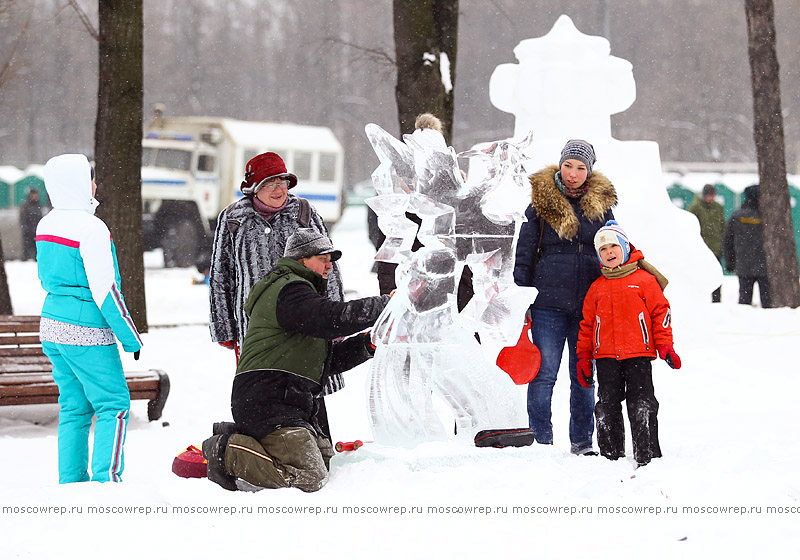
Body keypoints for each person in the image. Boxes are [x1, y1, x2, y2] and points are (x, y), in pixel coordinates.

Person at [203, 229, 390, 492]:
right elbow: (332, 319)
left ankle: (252, 440)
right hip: (269, 401)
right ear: (302, 259)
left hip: (289, 403)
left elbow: (325, 362)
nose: (329, 265)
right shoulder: (288, 289)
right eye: (322, 258)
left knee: (330, 468)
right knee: (311, 478)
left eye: (331, 259)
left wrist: (369, 343)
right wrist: (385, 305)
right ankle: (227, 451)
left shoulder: (303, 297)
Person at [208, 151, 345, 434]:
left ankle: (317, 442)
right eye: (271, 184)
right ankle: (268, 445)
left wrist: (335, 317)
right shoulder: (234, 218)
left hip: (305, 313)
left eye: (283, 183)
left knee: (306, 378)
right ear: (255, 187)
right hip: (257, 321)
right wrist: (225, 329)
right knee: (262, 384)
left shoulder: (303, 212)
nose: (279, 190)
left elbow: (329, 265)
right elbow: (222, 275)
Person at [36, 154, 143, 483]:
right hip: (85, 331)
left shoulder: (47, 224)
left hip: (52, 326)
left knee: (74, 407)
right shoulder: (91, 228)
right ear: (79, 184)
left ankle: (71, 480)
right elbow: (105, 291)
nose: (95, 185)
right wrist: (130, 336)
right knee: (114, 405)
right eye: (90, 179)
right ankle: (106, 481)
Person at [513, 139, 617, 456]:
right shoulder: (540, 205)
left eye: (580, 167)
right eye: (568, 166)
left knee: (584, 376)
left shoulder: (602, 208)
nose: (573, 173)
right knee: (544, 375)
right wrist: (522, 299)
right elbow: (524, 254)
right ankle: (541, 438)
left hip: (589, 305)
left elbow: (616, 251)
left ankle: (582, 442)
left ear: (590, 171)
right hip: (547, 305)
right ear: (560, 166)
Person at [576, 221, 680, 467]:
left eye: (613, 246)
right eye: (603, 249)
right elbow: (587, 325)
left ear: (624, 247)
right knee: (607, 405)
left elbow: (660, 314)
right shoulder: (597, 287)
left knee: (642, 403)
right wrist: (583, 356)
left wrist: (665, 346)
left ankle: (648, 454)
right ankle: (610, 455)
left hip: (638, 354)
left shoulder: (644, 280)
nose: (609, 252)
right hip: (606, 357)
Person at [722, 184, 771, 307]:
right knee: (767, 302)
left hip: (744, 265)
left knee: (744, 301)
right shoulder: (768, 216)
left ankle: (743, 324)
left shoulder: (737, 215)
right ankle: (769, 324)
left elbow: (728, 241)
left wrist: (730, 263)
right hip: (764, 266)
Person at [687, 184, 725, 302]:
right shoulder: (696, 207)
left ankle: (716, 301)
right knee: (700, 277)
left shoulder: (718, 207)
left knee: (716, 277)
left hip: (715, 248)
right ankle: (699, 301)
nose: (712, 198)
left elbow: (722, 225)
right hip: (701, 249)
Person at [19, 188, 43, 261]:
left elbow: (40, 217)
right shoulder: (25, 205)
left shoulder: (39, 205)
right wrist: (25, 228)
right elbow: (23, 218)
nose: (35, 196)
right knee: (26, 246)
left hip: (36, 230)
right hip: (28, 230)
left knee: (36, 246)